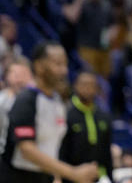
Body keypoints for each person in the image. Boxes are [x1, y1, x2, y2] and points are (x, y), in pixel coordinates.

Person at [0, 41, 99, 183]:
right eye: (57, 64)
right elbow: (27, 150)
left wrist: (56, 177)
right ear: (39, 66)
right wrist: (72, 173)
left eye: (65, 64)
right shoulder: (26, 100)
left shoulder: (58, 101)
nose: (64, 70)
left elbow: (52, 147)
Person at [59, 71, 113, 181]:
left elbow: (107, 152)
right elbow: (60, 150)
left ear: (97, 89)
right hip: (71, 175)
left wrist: (109, 176)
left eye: (92, 85)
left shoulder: (104, 116)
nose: (88, 88)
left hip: (98, 176)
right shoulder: (65, 113)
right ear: (75, 86)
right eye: (84, 84)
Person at [0, 58, 33, 157]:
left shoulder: (38, 100)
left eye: (23, 75)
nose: (19, 80)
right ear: (6, 77)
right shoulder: (1, 101)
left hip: (31, 158)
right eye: (15, 75)